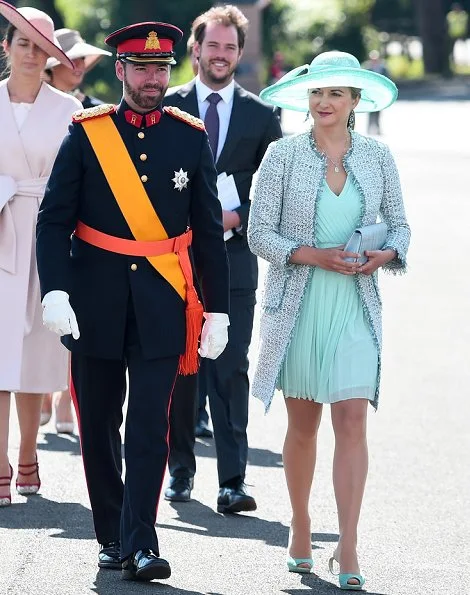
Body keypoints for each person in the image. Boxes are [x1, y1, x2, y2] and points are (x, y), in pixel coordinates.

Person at [36, 21, 229, 582]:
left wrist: (217, 309)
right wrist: (54, 289)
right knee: (97, 424)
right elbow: (53, 222)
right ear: (119, 70)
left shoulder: (189, 136)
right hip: (92, 300)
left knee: (149, 423)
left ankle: (142, 542)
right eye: (142, 68)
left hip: (162, 300)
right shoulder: (87, 132)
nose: (153, 79)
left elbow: (207, 229)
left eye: (162, 69)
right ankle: (112, 534)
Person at [247, 51, 410, 589]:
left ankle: (349, 542)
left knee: (352, 422)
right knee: (303, 426)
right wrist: (313, 254)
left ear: (355, 101)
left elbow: (402, 230)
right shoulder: (281, 156)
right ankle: (300, 524)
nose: (324, 102)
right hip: (298, 307)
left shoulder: (380, 157)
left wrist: (382, 256)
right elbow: (258, 233)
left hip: (356, 306)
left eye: (336, 93)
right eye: (317, 92)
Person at [162, 4, 282, 510]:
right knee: (177, 367)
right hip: (173, 263)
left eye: (230, 47)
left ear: (239, 52)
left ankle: (232, 481)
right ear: (196, 49)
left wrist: (237, 217)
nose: (221, 54)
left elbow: (279, 194)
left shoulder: (261, 116)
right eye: (213, 45)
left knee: (229, 368)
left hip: (234, 262)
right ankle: (180, 472)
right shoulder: (167, 105)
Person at [0, 1, 79, 508]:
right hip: (0, 227)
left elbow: (80, 183)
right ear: (5, 46)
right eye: (22, 42)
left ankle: (28, 451)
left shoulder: (71, 111)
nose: (30, 53)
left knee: (34, 353)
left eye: (40, 46)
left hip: (48, 236)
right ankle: (0, 462)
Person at [40, 27, 111, 434]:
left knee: (77, 310)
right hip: (37, 215)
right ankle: (44, 393)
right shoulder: (34, 107)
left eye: (84, 59)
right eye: (72, 59)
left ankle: (66, 401)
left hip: (83, 223)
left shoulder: (99, 111)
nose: (80, 65)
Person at [363, 50, 390, 135]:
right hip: (370, 93)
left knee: (379, 111)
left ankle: (378, 128)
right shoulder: (367, 68)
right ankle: (369, 129)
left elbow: (387, 80)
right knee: (370, 110)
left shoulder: (383, 68)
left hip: (380, 93)